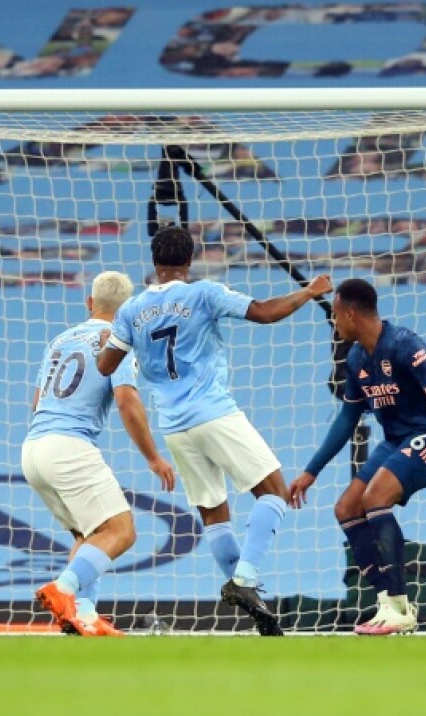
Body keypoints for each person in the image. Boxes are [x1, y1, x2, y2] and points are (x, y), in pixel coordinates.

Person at [97, 225, 332, 636]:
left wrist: (128, 342)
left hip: (174, 426)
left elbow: (105, 365)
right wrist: (309, 292)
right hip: (213, 412)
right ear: (189, 261)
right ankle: (245, 580)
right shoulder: (203, 293)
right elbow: (264, 312)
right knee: (274, 492)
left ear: (154, 262)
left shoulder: (131, 310)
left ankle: (253, 600)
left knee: (214, 514)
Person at [289, 278, 426, 635]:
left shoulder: (404, 345)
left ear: (350, 314)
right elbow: (347, 418)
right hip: (397, 440)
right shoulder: (356, 358)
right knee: (346, 509)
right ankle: (387, 604)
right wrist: (311, 471)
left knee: (375, 498)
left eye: (335, 315)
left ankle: (400, 607)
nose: (334, 323)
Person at [25, 271, 175, 637]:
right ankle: (63, 589)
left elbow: (37, 402)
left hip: (33, 448)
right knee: (122, 531)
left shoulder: (59, 340)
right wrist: (153, 457)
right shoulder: (118, 340)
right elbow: (126, 400)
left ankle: (85, 616)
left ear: (89, 302)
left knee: (89, 534)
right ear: (127, 310)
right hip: (69, 445)